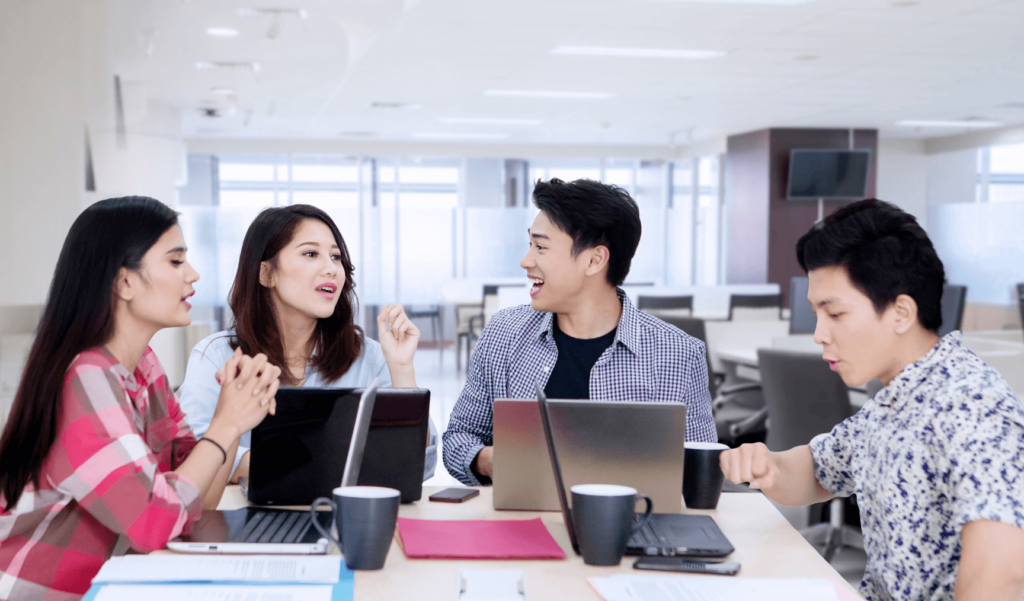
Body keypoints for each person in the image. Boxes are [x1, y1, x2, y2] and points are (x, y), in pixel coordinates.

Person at [719, 199, 1024, 601]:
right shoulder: (890, 401)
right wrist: (770, 466)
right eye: (816, 314)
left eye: (835, 314)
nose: (819, 334)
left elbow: (1001, 574)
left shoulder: (974, 406)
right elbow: (816, 472)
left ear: (900, 312)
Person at [0, 197, 279, 598]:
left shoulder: (142, 366)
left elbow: (197, 499)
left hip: (108, 586)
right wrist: (228, 423)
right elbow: (154, 524)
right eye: (176, 261)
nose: (194, 275)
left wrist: (234, 410)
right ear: (124, 281)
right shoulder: (85, 378)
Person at [443, 178, 717, 486]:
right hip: (521, 524)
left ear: (594, 260)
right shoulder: (503, 334)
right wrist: (486, 461)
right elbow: (458, 436)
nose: (526, 260)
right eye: (529, 245)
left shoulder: (679, 355)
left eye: (541, 247)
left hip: (634, 526)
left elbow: (700, 472)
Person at [178, 204, 437, 482]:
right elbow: (192, 457)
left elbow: (418, 465)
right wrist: (324, 463)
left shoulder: (369, 356)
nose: (332, 269)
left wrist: (401, 369)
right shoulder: (216, 356)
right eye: (311, 253)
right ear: (266, 274)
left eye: (336, 257)